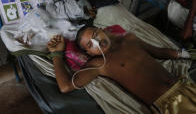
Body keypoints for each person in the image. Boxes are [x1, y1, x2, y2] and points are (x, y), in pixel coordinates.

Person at [47, 26, 196, 114]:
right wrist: (56, 54)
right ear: (89, 53)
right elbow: (65, 86)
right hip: (169, 105)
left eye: (95, 35)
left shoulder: (130, 39)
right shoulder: (99, 65)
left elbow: (158, 52)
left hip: (186, 87)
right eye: (90, 44)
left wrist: (181, 54)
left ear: (102, 30)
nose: (97, 41)